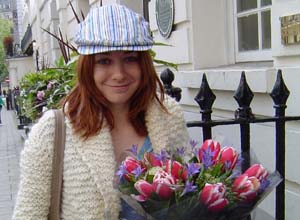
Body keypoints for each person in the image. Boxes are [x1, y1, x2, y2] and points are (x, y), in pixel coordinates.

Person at [13, 4, 189, 220]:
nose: (119, 74)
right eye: (104, 61)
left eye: (129, 58)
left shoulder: (168, 116)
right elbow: (28, 214)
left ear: (143, 63)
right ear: (87, 67)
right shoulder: (53, 130)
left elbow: (189, 192)